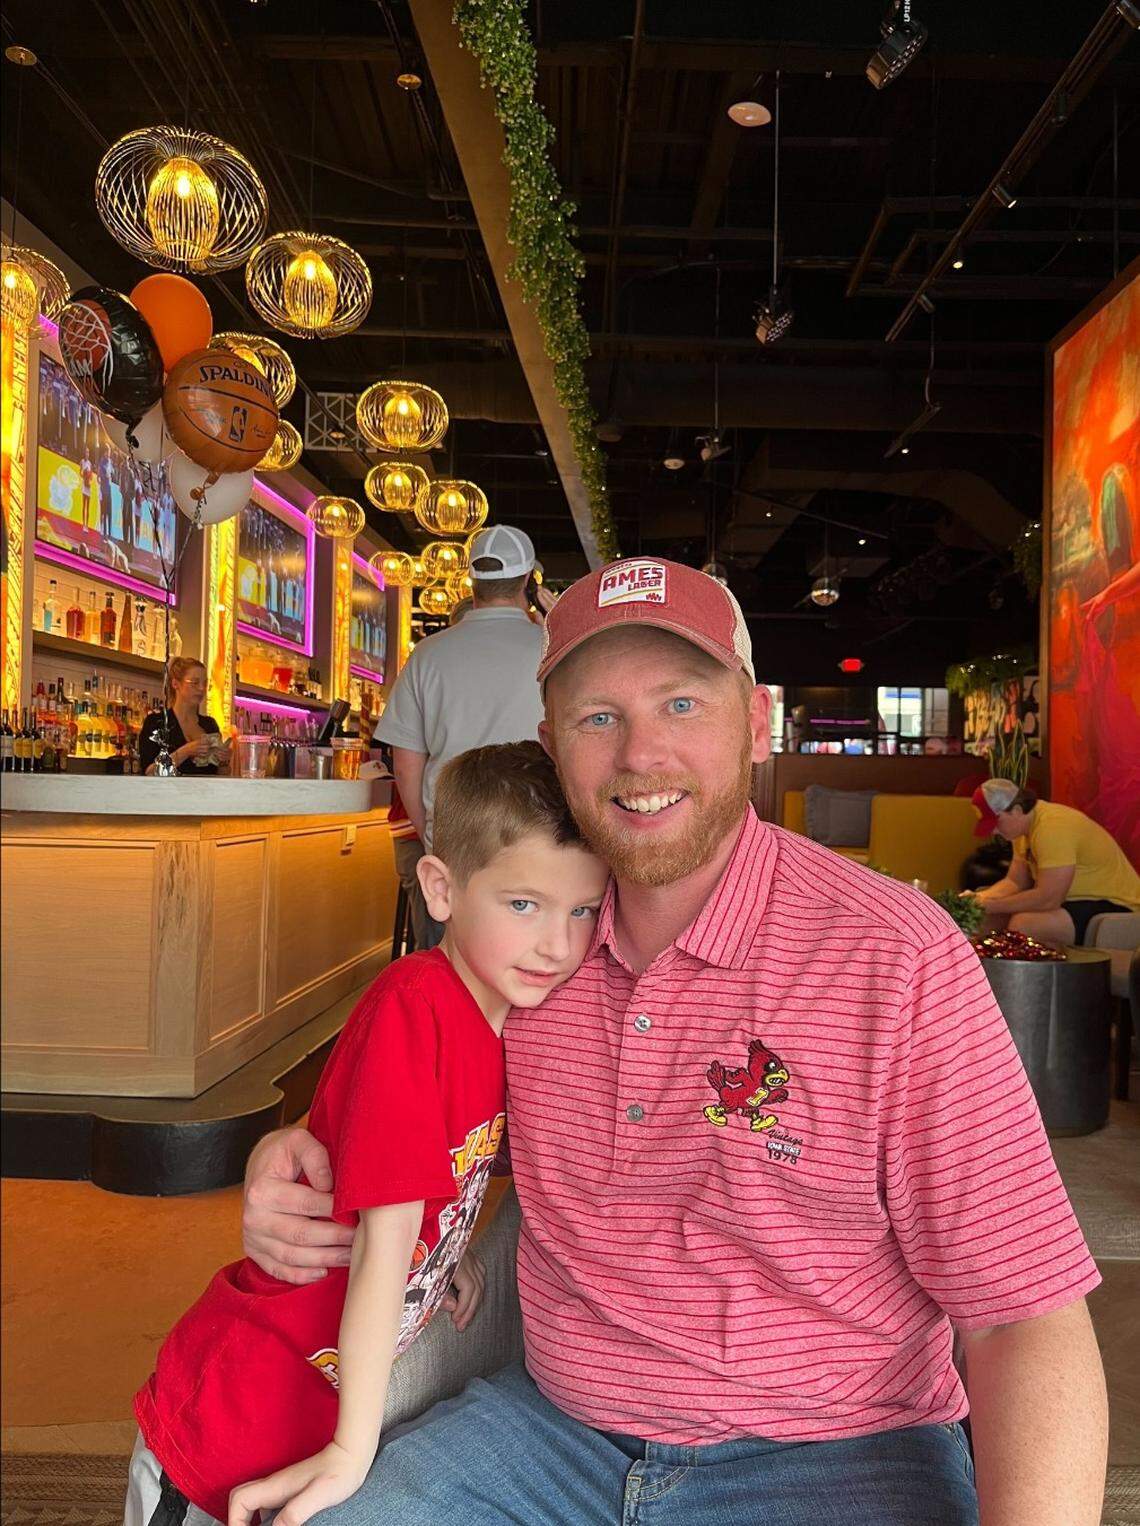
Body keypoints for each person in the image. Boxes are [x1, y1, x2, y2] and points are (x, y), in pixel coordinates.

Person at [243, 558, 1107, 1526]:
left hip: (839, 1450)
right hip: (552, 1437)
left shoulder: (894, 960)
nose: (640, 754)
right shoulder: (526, 956)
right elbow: (430, 1112)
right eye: (597, 717)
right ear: (550, 744)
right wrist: (294, 1160)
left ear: (757, 722)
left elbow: (1021, 1316)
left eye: (682, 704)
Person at [125, 743, 606, 1526]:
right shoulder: (414, 1009)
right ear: (441, 888)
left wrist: (441, 1255)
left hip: (315, 1402)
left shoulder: (502, 1022)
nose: (558, 942)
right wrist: (353, 1453)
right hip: (240, 1412)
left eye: (581, 910)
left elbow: (422, 1197)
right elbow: (386, 1234)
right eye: (525, 905)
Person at [375, 526, 546, 945]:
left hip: (453, 837)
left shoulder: (429, 654)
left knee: (449, 974)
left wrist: (431, 831)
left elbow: (406, 762)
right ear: (528, 581)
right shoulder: (552, 648)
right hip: (541, 833)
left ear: (472, 582)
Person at [968, 777, 1140, 946]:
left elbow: (1048, 898)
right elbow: (1015, 882)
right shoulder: (1021, 831)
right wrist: (975, 900)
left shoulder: (1052, 828)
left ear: (1017, 810)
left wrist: (991, 905)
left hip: (1114, 904)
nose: (995, 831)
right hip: (1072, 902)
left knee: (1024, 924)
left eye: (996, 823)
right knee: (984, 920)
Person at [139, 657, 231, 776]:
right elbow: (150, 773)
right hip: (168, 794)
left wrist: (223, 761)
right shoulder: (157, 723)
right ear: (175, 684)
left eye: (205, 683)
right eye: (195, 683)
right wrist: (186, 751)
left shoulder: (209, 725)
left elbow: (220, 776)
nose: (201, 688)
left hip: (205, 793)